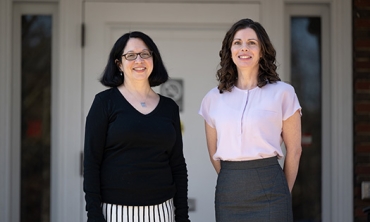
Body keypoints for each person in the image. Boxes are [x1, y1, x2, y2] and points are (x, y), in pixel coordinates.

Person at [198, 18, 302, 222]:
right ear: (230, 50)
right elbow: (213, 153)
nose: (244, 48)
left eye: (251, 43)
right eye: (237, 43)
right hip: (229, 192)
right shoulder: (213, 98)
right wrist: (234, 178)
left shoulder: (283, 93)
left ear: (262, 51)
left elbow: (295, 150)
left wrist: (282, 191)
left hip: (272, 189)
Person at [83, 31, 190, 222]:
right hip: (115, 213)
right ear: (119, 64)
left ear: (153, 59)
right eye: (130, 55)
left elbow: (178, 166)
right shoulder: (104, 103)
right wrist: (94, 215)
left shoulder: (169, 108)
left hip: (162, 212)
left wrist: (182, 216)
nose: (139, 60)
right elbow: (91, 164)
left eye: (145, 54)